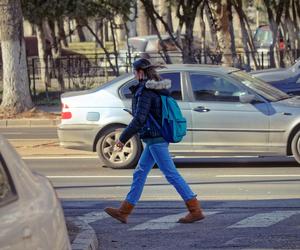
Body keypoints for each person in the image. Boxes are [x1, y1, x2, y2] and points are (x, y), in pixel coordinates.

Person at [104, 58, 205, 224]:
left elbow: (140, 119)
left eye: (135, 71)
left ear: (140, 72)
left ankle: (195, 210)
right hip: (153, 139)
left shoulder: (145, 91)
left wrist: (122, 139)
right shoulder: (153, 89)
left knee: (171, 175)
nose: (134, 75)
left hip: (156, 139)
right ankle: (124, 211)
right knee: (140, 172)